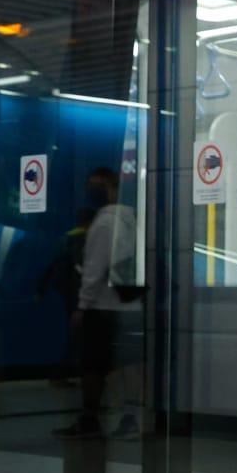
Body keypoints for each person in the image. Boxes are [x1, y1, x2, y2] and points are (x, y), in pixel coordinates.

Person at [56, 167, 142, 439]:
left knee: (92, 367)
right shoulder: (133, 219)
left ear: (113, 187)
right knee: (127, 365)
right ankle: (130, 417)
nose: (92, 191)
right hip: (131, 304)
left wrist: (82, 306)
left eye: (98, 185)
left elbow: (94, 268)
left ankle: (90, 417)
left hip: (102, 308)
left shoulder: (104, 223)